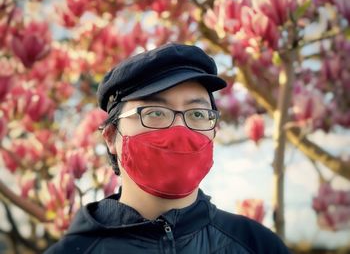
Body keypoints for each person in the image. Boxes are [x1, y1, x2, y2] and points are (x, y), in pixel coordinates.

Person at [45, 43, 290, 253]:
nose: (180, 130)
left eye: (197, 113)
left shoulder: (257, 245)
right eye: (155, 113)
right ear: (111, 136)